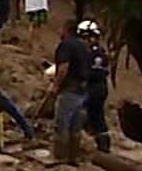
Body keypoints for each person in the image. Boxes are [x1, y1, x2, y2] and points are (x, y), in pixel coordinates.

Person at [49, 18, 96, 162]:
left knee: (61, 123)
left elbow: (63, 67)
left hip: (69, 88)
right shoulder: (84, 47)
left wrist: (55, 85)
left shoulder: (66, 45)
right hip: (82, 89)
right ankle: (74, 157)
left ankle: (59, 157)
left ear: (66, 29)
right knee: (75, 125)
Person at [79, 20, 114, 153]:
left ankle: (85, 144)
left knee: (85, 112)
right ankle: (103, 145)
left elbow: (88, 71)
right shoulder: (100, 51)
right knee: (97, 115)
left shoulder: (91, 53)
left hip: (93, 86)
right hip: (100, 86)